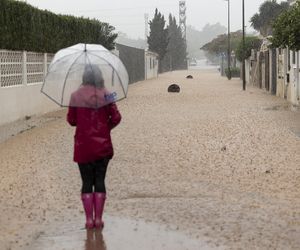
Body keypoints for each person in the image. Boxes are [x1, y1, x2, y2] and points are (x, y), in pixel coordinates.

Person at [67, 64, 121, 229]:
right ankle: (98, 219)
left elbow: (71, 121)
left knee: (86, 181)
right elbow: (117, 117)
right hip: (103, 146)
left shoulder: (75, 95)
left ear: (84, 77)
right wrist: (106, 128)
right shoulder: (108, 94)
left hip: (83, 146)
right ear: (99, 77)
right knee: (100, 180)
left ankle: (88, 221)